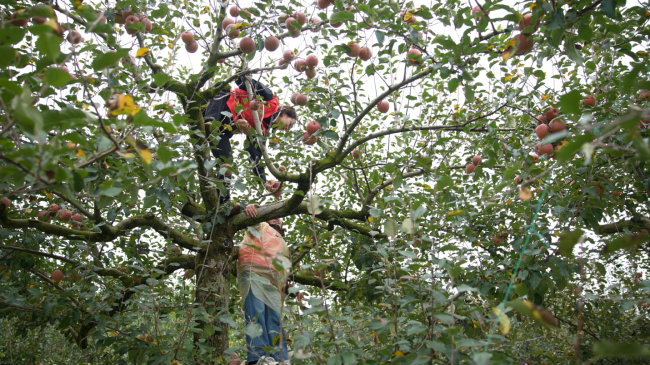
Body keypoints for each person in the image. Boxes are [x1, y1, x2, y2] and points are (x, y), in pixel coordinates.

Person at [202, 76, 297, 204]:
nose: (287, 128)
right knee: (223, 87)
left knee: (226, 162)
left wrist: (264, 181)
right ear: (285, 113)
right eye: (290, 124)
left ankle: (223, 204)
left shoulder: (262, 131)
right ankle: (209, 121)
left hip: (223, 128)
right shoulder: (270, 100)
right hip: (219, 102)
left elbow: (255, 155)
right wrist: (242, 77)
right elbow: (245, 81)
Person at [238, 203, 291, 365]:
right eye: (272, 214)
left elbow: (285, 269)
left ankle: (279, 358)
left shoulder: (281, 241)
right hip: (254, 272)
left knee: (275, 319)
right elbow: (250, 217)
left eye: (279, 217)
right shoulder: (262, 225)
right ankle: (258, 356)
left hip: (274, 283)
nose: (276, 218)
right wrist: (251, 207)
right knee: (256, 314)